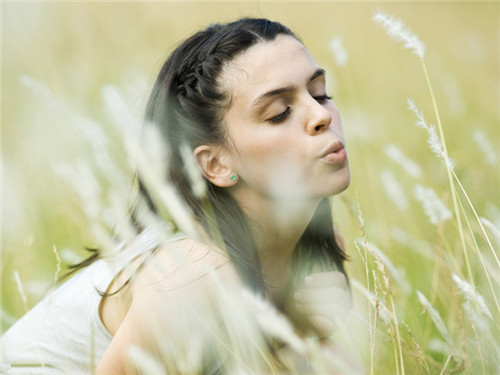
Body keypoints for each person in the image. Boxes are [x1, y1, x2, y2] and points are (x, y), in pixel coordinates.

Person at [2, 18, 355, 374]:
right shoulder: (193, 273)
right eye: (279, 113)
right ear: (215, 164)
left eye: (320, 93)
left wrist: (296, 330)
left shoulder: (312, 249)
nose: (320, 115)